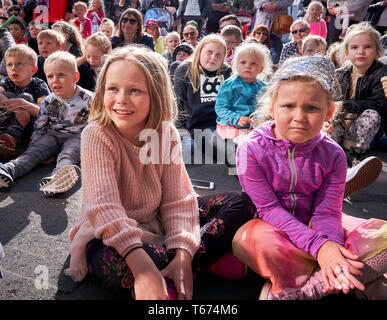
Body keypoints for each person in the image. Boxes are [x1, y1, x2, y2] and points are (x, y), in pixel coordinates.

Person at [63, 46, 255, 299]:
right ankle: (200, 264)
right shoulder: (97, 134)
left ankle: (177, 269)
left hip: (158, 220)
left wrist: (184, 255)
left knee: (242, 202)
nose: (121, 99)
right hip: (112, 232)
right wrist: (142, 269)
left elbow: (178, 201)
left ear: (155, 95)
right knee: (119, 266)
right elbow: (104, 208)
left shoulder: (166, 134)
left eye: (134, 90)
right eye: (113, 88)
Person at [232, 56, 387, 300]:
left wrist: (331, 248)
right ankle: (350, 280)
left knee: (383, 234)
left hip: (319, 225)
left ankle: (305, 289)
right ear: (272, 108)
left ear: (329, 111)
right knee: (252, 240)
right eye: (288, 106)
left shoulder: (333, 154)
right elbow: (268, 209)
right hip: (274, 228)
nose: (300, 117)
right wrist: (320, 247)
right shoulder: (250, 148)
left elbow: (326, 213)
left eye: (312, 108)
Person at [0, 51, 94, 196]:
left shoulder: (88, 98)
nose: (55, 80)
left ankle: (59, 178)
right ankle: (8, 170)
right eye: (50, 76)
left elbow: (98, 122)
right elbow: (40, 125)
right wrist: (35, 144)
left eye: (61, 75)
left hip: (77, 135)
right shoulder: (49, 101)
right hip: (53, 134)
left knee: (68, 154)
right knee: (33, 153)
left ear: (75, 77)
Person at [324, 22, 387, 167]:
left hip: (360, 131)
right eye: (354, 47)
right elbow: (332, 101)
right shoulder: (340, 74)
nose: (361, 52)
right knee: (326, 121)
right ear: (346, 53)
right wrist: (329, 119)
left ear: (377, 52)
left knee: (372, 115)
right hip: (340, 124)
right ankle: (330, 154)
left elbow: (379, 105)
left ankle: (357, 154)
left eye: (368, 47)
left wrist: (345, 105)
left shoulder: (382, 73)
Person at [173, 34, 232, 162]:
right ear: (200, 51)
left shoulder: (226, 72)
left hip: (226, 125)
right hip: (201, 128)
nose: (213, 57)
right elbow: (178, 103)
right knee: (230, 151)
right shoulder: (186, 70)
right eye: (209, 52)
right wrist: (180, 133)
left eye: (218, 55)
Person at [0, 45, 49, 159]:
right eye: (9, 64)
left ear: (33, 69)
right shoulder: (6, 82)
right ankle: (5, 140)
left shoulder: (39, 84)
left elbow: (45, 111)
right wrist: (16, 108)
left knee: (25, 97)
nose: (13, 68)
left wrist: (23, 104)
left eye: (19, 64)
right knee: (7, 95)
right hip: (5, 125)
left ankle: (10, 138)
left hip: (29, 129)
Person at [215, 42, 270, 145]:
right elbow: (220, 107)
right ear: (235, 65)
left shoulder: (263, 87)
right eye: (243, 62)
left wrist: (257, 118)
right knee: (247, 143)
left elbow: (263, 107)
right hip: (231, 125)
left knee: (267, 140)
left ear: (261, 69)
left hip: (253, 126)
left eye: (253, 63)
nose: (248, 66)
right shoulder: (230, 84)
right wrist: (236, 119)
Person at [253, 0, 293, 65]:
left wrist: (276, 5)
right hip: (262, 22)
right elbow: (256, 2)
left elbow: (289, 1)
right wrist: (263, 5)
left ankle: (274, 69)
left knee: (275, 51)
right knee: (258, 48)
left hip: (278, 23)